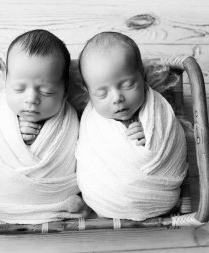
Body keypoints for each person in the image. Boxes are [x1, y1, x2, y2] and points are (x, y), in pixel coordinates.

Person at [0, 29, 88, 224]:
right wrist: (14, 134)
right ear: (6, 82)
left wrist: (39, 139)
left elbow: (83, 154)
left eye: (47, 92)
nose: (31, 99)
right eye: (19, 88)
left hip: (53, 195)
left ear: (65, 91)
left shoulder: (71, 120)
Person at [75, 32, 188, 221]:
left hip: (156, 194)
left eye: (127, 85)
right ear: (89, 94)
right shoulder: (92, 122)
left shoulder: (155, 109)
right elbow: (89, 154)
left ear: (143, 78)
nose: (117, 98)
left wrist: (151, 136)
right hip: (103, 197)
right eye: (102, 94)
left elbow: (169, 140)